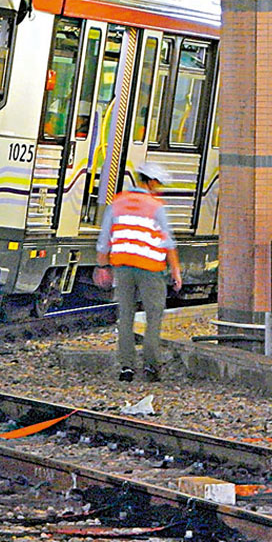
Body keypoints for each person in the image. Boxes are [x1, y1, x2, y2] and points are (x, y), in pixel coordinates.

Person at [95, 161, 183, 382]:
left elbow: (103, 241)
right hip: (151, 271)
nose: (160, 188)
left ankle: (127, 368)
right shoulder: (156, 206)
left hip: (123, 268)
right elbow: (167, 242)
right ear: (151, 182)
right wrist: (176, 271)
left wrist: (102, 267)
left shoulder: (117, 202)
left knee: (125, 316)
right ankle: (151, 368)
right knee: (153, 318)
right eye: (159, 183)